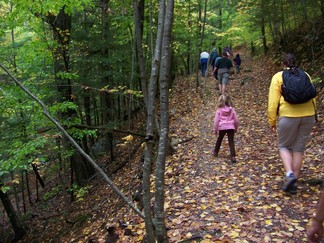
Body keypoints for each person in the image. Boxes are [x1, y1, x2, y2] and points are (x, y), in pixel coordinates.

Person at [267, 53, 316, 194]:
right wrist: (314, 115)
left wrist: (272, 121)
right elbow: (313, 96)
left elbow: (273, 102)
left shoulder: (278, 77)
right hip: (308, 114)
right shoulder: (305, 74)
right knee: (298, 148)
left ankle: (289, 175)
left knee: (284, 146)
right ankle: (294, 183)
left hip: (288, 115)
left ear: (283, 64)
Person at [213, 94, 239, 163]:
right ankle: (233, 156)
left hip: (222, 127)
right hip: (231, 127)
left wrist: (215, 130)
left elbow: (216, 121)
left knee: (219, 139)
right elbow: (236, 120)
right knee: (231, 142)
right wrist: (235, 128)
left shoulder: (219, 110)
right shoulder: (232, 109)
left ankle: (215, 152)